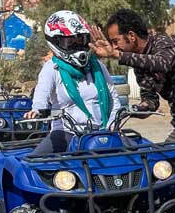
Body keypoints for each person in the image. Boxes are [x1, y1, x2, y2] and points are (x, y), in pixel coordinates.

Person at [92, 9, 175, 198]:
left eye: (115, 41)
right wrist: (137, 108)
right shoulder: (139, 63)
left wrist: (117, 56)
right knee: (160, 174)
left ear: (131, 36)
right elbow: (150, 100)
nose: (114, 47)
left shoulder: (164, 43)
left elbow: (162, 63)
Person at [25, 11, 120, 155]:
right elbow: (41, 96)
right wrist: (37, 111)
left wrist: (112, 125)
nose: (77, 45)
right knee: (34, 163)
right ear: (55, 41)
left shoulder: (97, 66)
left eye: (81, 40)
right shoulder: (52, 68)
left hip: (103, 132)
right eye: (70, 41)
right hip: (67, 133)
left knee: (143, 156)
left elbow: (113, 98)